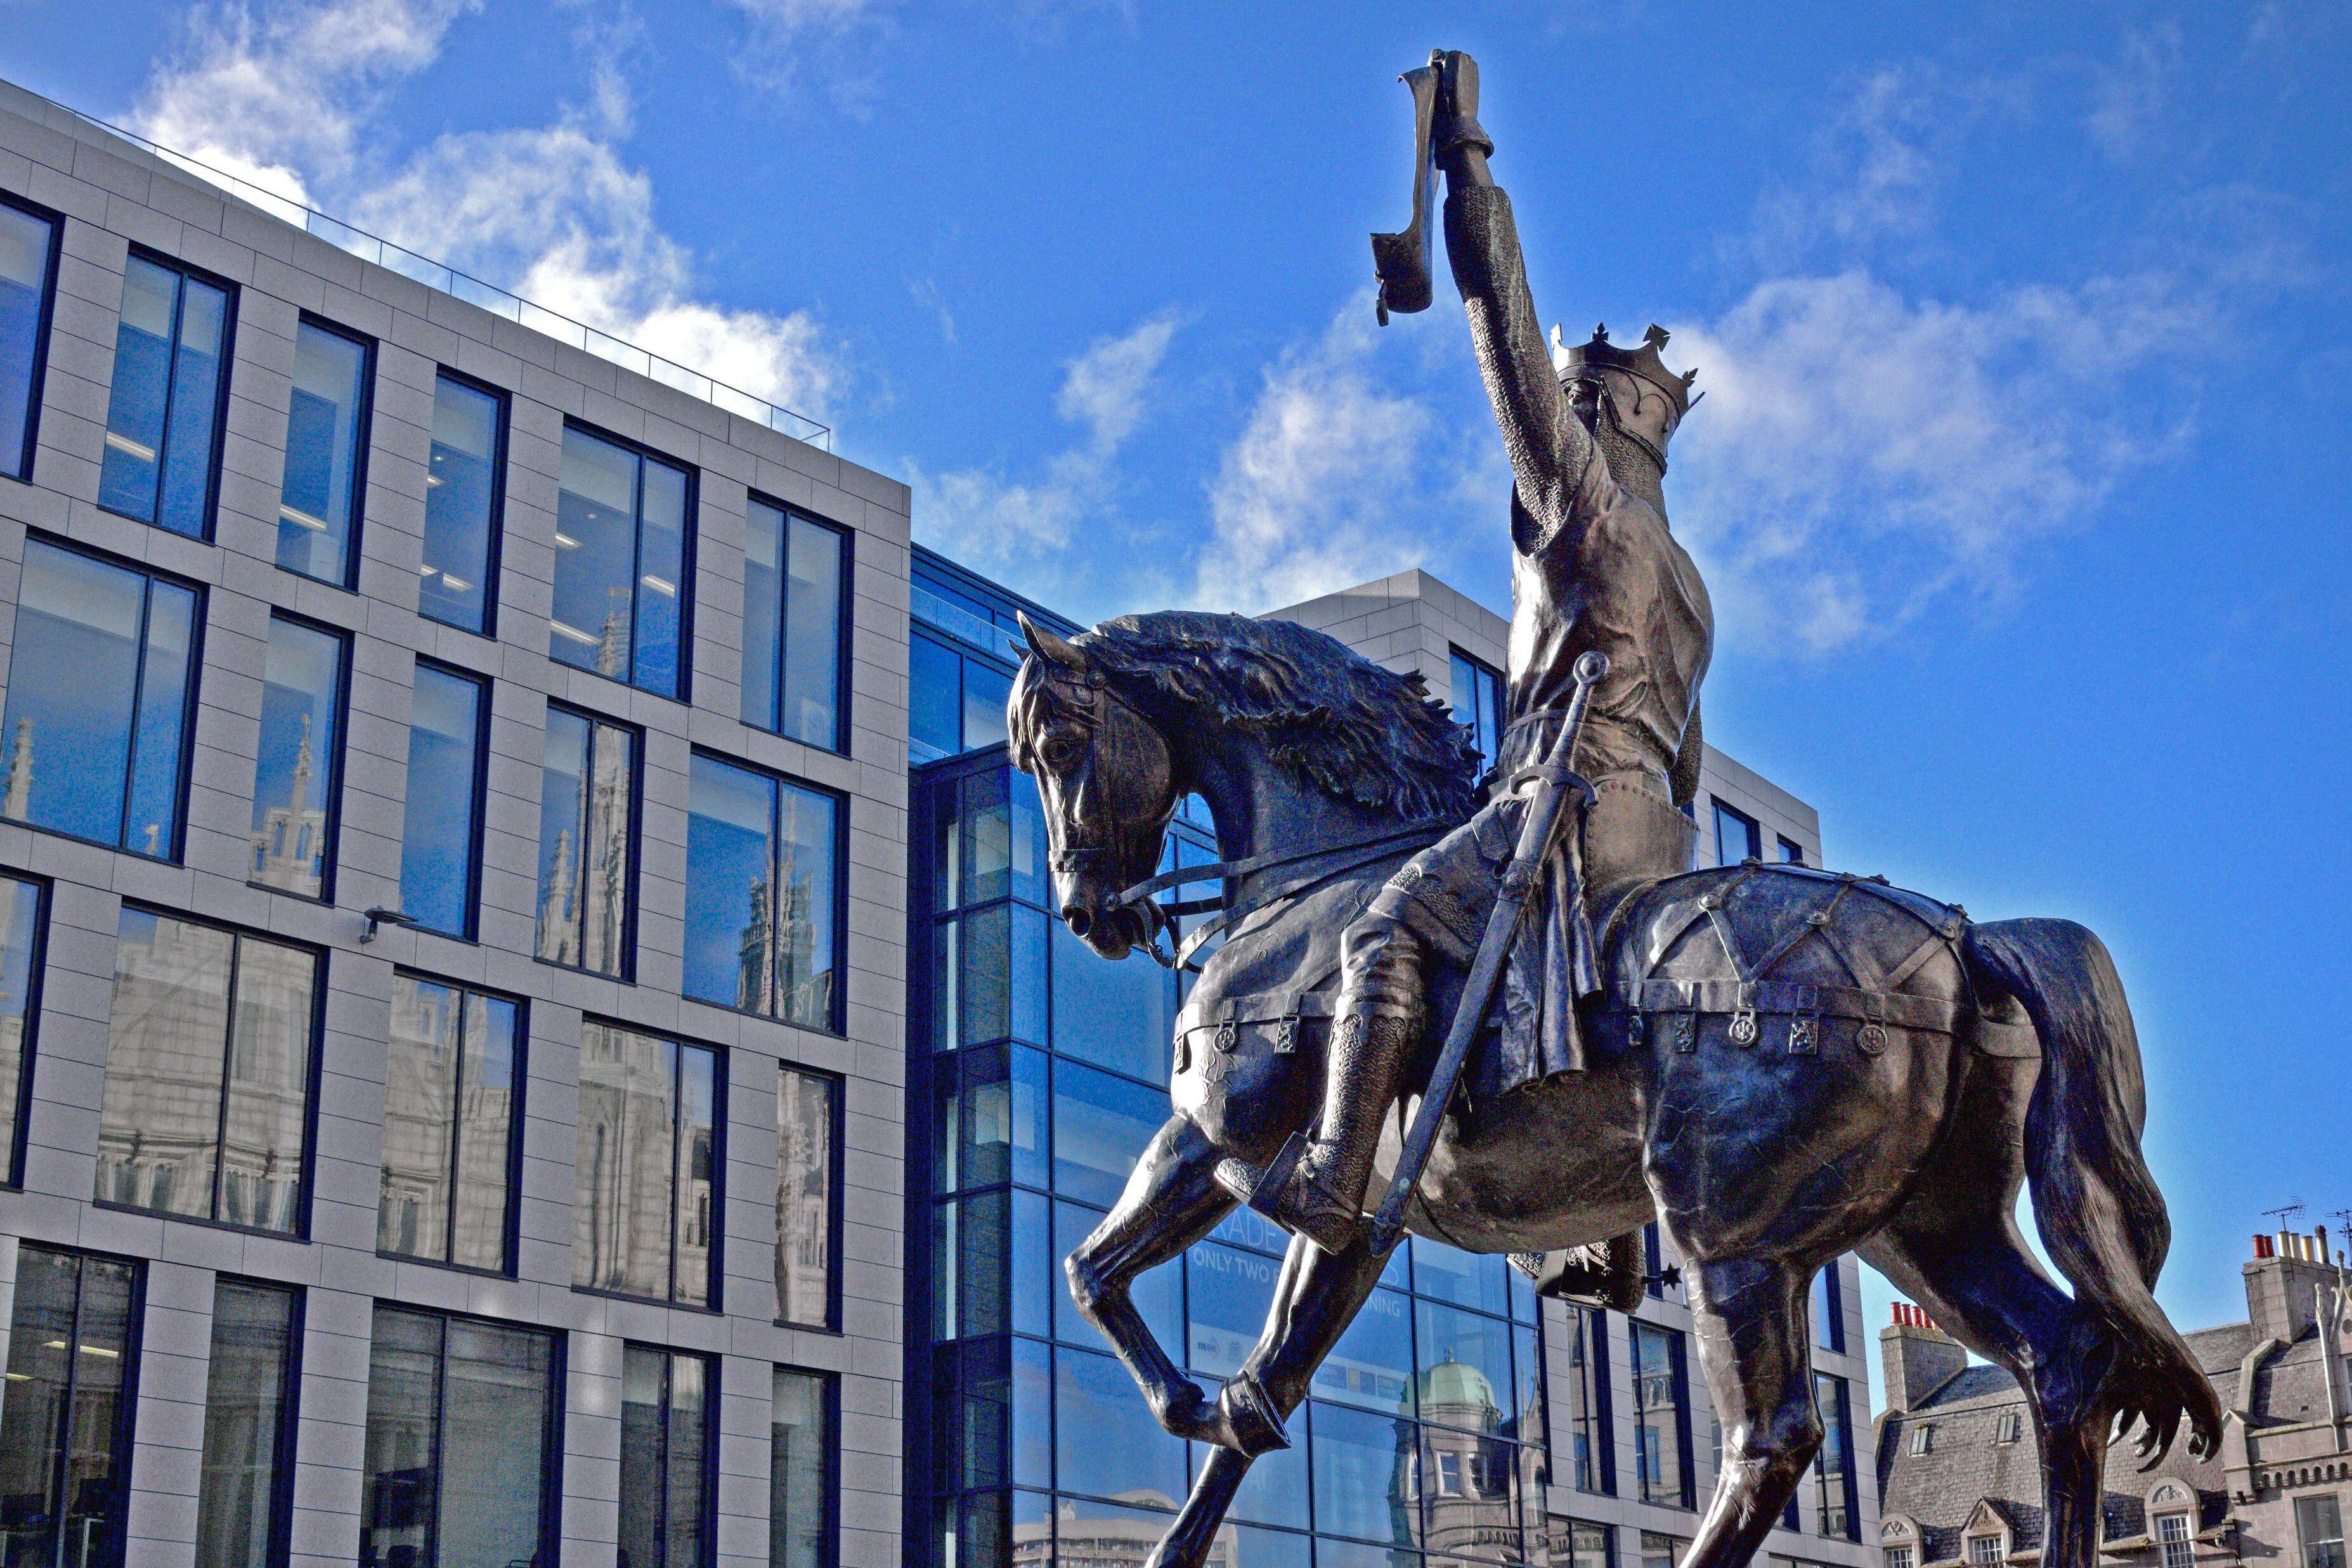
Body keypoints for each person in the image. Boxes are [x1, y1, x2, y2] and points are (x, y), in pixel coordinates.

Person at [1216, 51, 1713, 1306]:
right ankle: (1605, 1228)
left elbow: (1498, 312)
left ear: (1597, 415)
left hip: (1558, 816)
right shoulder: (1689, 577)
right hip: (1661, 837)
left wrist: (1465, 164)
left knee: (1384, 931)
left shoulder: (1581, 500)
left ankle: (1331, 1172)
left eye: (1572, 404)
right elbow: (1692, 743)